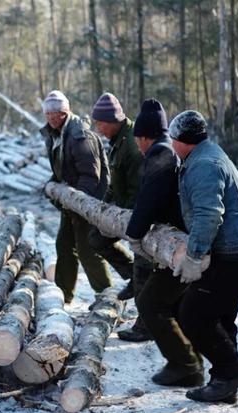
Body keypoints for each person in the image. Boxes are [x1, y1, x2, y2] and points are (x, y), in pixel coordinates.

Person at [169, 110, 238, 403]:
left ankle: (230, 373)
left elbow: (208, 214)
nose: (171, 144)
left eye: (173, 139)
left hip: (233, 255)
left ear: (183, 140)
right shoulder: (208, 154)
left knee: (192, 313)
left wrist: (194, 257)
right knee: (220, 317)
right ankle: (224, 384)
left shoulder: (204, 164)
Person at [125, 99, 204, 388]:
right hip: (183, 240)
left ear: (144, 136)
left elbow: (147, 200)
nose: (137, 145)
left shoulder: (159, 155)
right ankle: (190, 362)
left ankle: (186, 365)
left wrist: (134, 233)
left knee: (150, 302)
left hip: (179, 245)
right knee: (178, 304)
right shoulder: (169, 152)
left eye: (137, 140)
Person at [90, 92, 153, 341]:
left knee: (145, 267)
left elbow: (141, 189)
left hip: (140, 215)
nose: (98, 128)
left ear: (114, 119)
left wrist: (134, 222)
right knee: (96, 238)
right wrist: (103, 210)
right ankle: (132, 277)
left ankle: (146, 325)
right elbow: (115, 184)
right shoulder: (116, 140)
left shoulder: (132, 143)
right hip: (123, 212)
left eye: (100, 123)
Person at [40, 90, 111, 303]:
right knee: (64, 245)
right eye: (48, 113)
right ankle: (63, 296)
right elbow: (63, 168)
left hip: (88, 200)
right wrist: (52, 187)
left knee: (87, 249)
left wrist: (79, 205)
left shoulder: (80, 135)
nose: (52, 117)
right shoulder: (55, 134)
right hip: (72, 200)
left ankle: (107, 296)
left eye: (57, 113)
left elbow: (92, 176)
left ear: (66, 111)